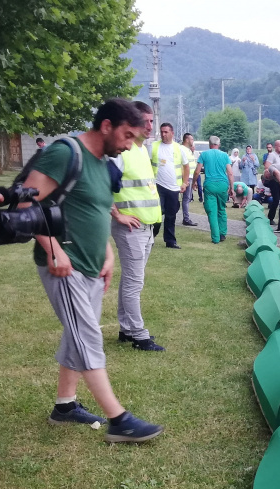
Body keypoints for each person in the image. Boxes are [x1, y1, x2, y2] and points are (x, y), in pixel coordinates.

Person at [21, 98, 164, 445]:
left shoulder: (104, 162)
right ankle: (119, 419)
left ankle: (65, 406)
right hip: (64, 265)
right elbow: (27, 204)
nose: (129, 144)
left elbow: (97, 210)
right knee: (87, 337)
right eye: (127, 135)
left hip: (91, 265)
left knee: (78, 333)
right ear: (106, 126)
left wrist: (107, 252)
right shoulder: (65, 153)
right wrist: (53, 249)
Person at [108, 101, 164, 351]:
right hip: (131, 228)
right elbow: (101, 185)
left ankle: (126, 329)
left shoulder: (141, 150)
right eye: (145, 121)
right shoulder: (123, 152)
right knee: (134, 283)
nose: (150, 126)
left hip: (147, 227)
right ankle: (140, 336)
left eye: (152, 121)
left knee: (131, 282)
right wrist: (117, 215)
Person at [150, 122, 188, 249]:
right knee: (157, 214)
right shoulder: (154, 146)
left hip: (173, 187)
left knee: (171, 215)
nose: (163, 134)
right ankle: (151, 237)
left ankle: (170, 241)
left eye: (166, 132)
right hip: (157, 186)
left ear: (172, 133)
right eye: (162, 132)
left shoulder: (178, 148)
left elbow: (186, 165)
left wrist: (185, 182)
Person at [195, 135, 233, 244]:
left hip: (210, 185)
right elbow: (230, 172)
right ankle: (222, 233)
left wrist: (193, 183)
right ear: (219, 144)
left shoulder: (204, 154)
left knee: (212, 212)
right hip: (222, 185)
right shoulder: (225, 155)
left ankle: (215, 238)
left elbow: (197, 171)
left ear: (209, 144)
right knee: (221, 209)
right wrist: (231, 187)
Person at [180, 133, 198, 226]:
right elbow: (182, 165)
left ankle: (186, 218)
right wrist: (185, 179)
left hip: (190, 177)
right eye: (192, 139)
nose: (192, 141)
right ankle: (186, 219)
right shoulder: (182, 149)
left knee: (187, 198)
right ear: (187, 140)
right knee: (186, 199)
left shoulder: (188, 150)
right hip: (186, 178)